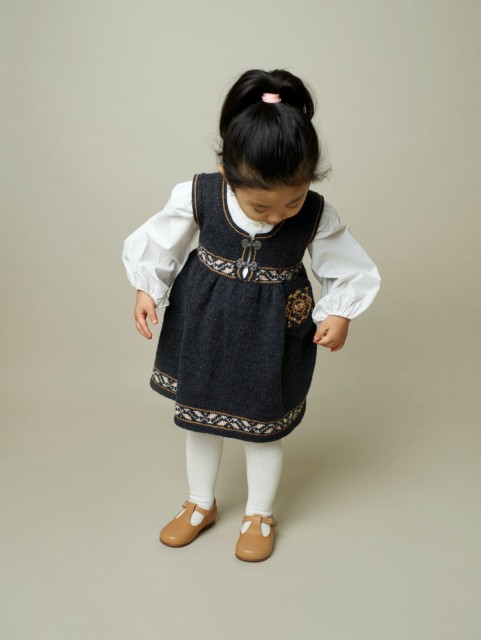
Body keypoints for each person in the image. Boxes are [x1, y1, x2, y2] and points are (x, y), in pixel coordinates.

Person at [122, 69, 380, 562]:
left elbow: (348, 268)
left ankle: (260, 513)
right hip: (205, 322)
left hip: (271, 333)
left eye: (292, 202)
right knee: (200, 419)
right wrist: (146, 288)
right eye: (262, 206)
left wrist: (340, 312)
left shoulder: (316, 214)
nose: (278, 215)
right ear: (227, 174)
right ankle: (199, 503)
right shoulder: (199, 194)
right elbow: (159, 243)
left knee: (263, 425)